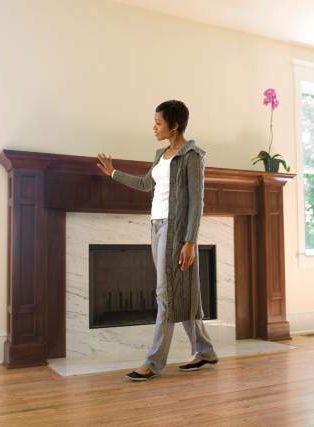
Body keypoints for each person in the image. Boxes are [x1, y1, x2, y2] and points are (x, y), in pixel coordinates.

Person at [96, 100, 218, 381]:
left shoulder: (192, 156)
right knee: (182, 291)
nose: (154, 127)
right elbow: (144, 184)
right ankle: (205, 351)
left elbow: (196, 203)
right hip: (157, 226)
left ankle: (153, 363)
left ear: (174, 125)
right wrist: (112, 172)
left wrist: (190, 241)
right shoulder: (161, 155)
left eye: (158, 123)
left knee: (165, 294)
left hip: (177, 232)